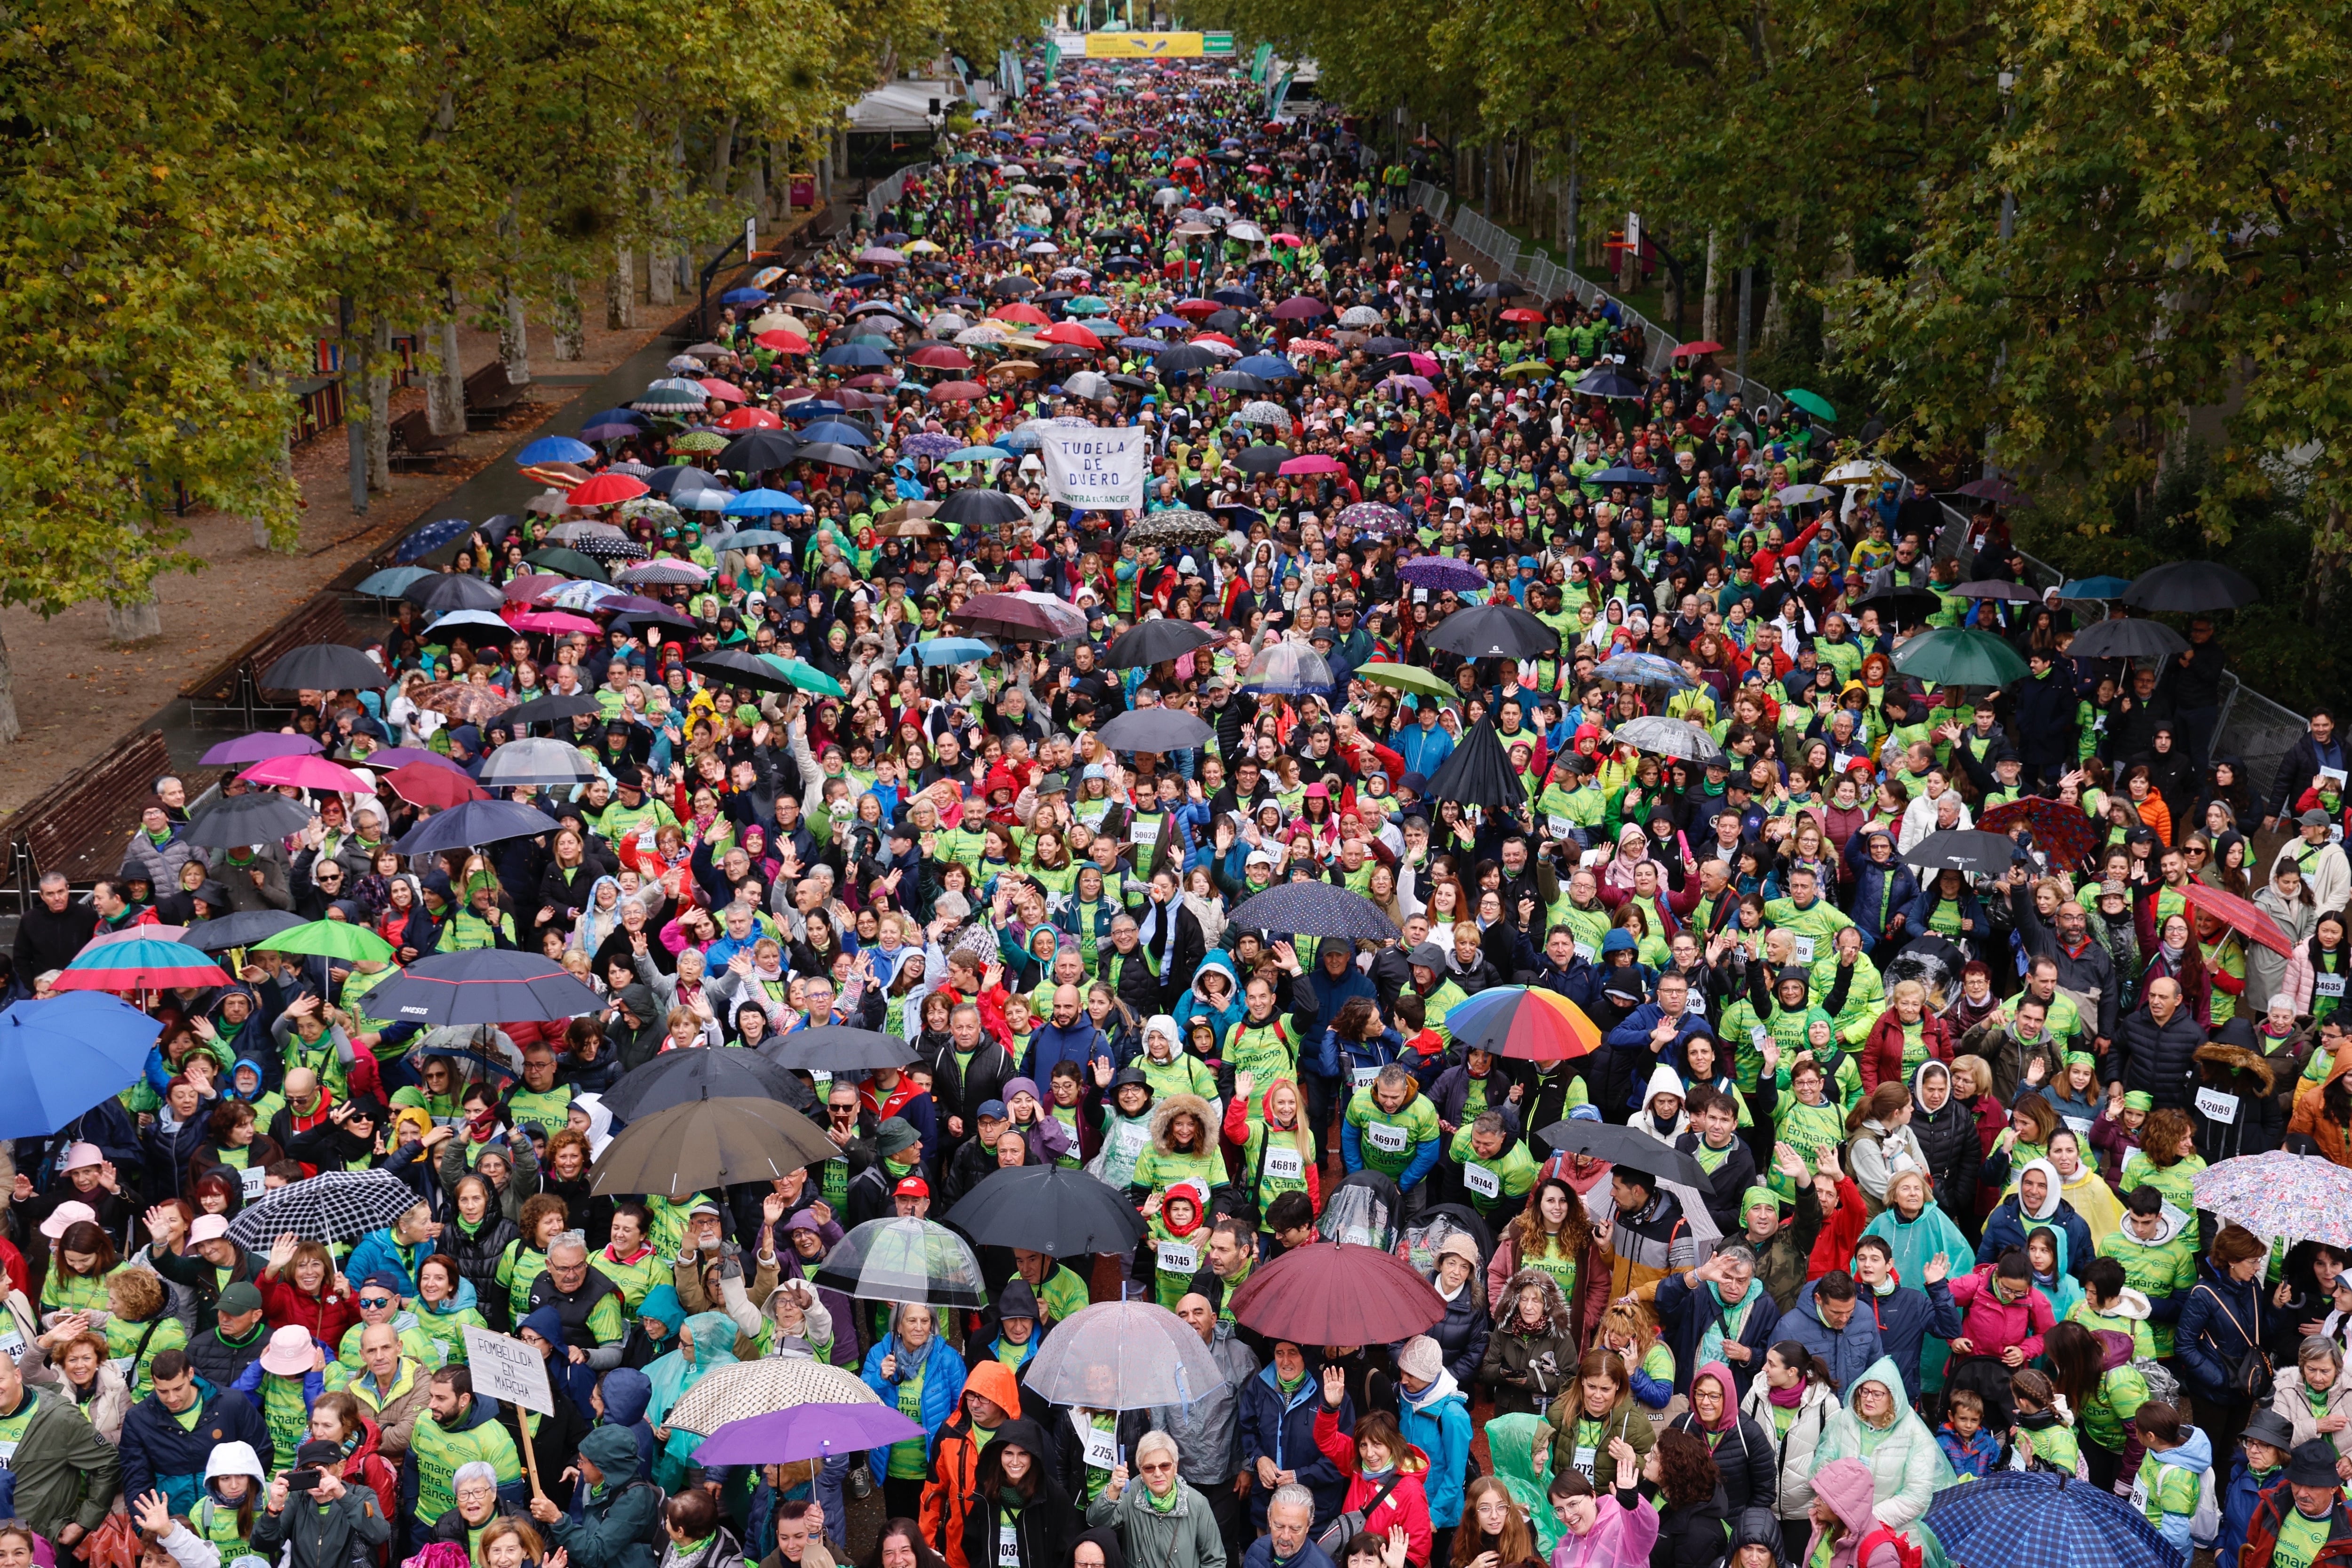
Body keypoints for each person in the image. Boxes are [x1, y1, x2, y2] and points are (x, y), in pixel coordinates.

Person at [0, 1328, 122, 1545]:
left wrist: (84, 1522)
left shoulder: (59, 1417)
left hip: (37, 1542)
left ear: (18, 1375)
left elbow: (107, 1464)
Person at [119, 1348, 273, 1514]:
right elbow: (136, 1480)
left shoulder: (232, 1404)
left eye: (178, 1389)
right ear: (153, 1382)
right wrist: (146, 1528)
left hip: (233, 1514)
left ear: (190, 1374)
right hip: (173, 1521)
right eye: (163, 1391)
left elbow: (261, 1453)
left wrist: (242, 1502)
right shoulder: (138, 1419)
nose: (171, 1398)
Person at [1809, 1358, 1949, 1530]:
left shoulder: (1914, 1434)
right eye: (1865, 1391)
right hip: (1838, 1524)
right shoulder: (1845, 1420)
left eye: (1877, 1394)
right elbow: (1823, 1464)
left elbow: (1917, 1495)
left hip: (1888, 1533)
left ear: (1893, 1397)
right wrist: (1841, 1512)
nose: (1869, 1399)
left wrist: (1867, 1521)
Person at [862, 1302, 968, 1521]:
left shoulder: (948, 1359)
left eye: (925, 1321)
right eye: (912, 1320)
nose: (919, 1327)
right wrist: (879, 1379)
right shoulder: (879, 1355)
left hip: (932, 1466)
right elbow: (862, 1401)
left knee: (928, 1533)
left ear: (932, 1325)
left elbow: (961, 1410)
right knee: (898, 1529)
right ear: (898, 1327)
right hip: (893, 1466)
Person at [1737, 1344, 1840, 1561]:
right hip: (1761, 1508)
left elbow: (1834, 1456)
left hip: (1805, 1513)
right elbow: (1740, 1439)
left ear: (1791, 1371)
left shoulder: (1825, 1405)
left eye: (1772, 1364)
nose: (1764, 1368)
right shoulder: (1756, 1394)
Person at [2179, 1223, 2272, 1448]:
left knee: (2231, 1452)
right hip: (2214, 1392)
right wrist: (2220, 1379)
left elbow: (2262, 1333)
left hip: (2244, 1386)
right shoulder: (2203, 1294)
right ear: (2232, 1260)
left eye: (2259, 1260)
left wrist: (2278, 1307)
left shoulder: (2252, 1286)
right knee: (2209, 1452)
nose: (2258, 1267)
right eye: (2252, 1261)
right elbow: (2184, 1346)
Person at [1086, 1430, 1230, 1568]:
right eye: (1149, 1468)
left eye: (1165, 1466)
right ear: (1140, 1470)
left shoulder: (1197, 1504)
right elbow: (1096, 1521)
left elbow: (1215, 1560)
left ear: (1176, 1467)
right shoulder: (1130, 1494)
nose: (1158, 1473)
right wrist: (1114, 1489)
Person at [533, 1423, 661, 1568]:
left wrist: (557, 1519)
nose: (579, 1466)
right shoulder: (600, 1486)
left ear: (602, 1467)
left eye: (582, 1461)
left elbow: (595, 1554)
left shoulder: (634, 1500)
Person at [252, 1437, 394, 1568]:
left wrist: (342, 1496)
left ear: (341, 1467)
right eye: (308, 1471)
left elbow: (380, 1535)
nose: (317, 1478)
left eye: (322, 1468)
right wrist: (274, 1509)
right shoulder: (298, 1498)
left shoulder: (361, 1494)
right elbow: (263, 1545)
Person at [1395, 1336, 1473, 1568]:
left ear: (1430, 1375)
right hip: (1410, 1505)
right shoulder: (1407, 1399)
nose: (1404, 1380)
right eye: (1402, 1372)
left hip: (1441, 1518)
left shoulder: (1453, 1416)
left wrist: (1435, 1516)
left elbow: (1455, 1474)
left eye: (1411, 1375)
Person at [959, 1417, 1076, 1568]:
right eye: (1008, 1453)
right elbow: (972, 1542)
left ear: (1034, 1457)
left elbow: (1066, 1548)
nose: (1015, 1462)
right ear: (999, 1456)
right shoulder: (987, 1491)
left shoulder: (1053, 1495)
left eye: (1023, 1454)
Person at [1665, 1362, 1774, 1515]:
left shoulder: (1749, 1433)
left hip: (1733, 1526)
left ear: (1728, 1396)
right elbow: (1664, 1472)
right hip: (1688, 1524)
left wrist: (1744, 1526)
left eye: (1714, 1396)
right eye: (1700, 1394)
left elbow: (1765, 1491)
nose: (1705, 1402)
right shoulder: (1682, 1426)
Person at [2236, 1436, 2352, 1568]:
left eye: (2312, 1486)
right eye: (2296, 1483)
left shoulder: (2349, 1525)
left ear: (2333, 1488)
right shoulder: (2271, 1504)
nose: (2302, 1494)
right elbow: (2252, 1550)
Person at [1478, 1270, 1578, 1418]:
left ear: (1547, 1304)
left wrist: (1529, 1379)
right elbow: (1486, 1370)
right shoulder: (1504, 1328)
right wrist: (1501, 1373)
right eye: (1523, 1299)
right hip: (1507, 1414)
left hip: (1541, 1418)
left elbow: (1568, 1381)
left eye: (1536, 1301)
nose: (1528, 1307)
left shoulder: (1559, 1334)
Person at [1544, 1436, 1654, 1568]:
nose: (1568, 1516)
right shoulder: (1563, 1548)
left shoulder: (1621, 1529)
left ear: (1592, 1496)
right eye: (1560, 1510)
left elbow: (1646, 1533)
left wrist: (1634, 1508)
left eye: (1573, 1505)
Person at [1797, 1460, 1911, 1568]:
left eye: (1823, 1499)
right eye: (1818, 1495)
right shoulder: (1825, 1524)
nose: (1815, 1502)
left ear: (1845, 1506)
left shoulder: (1881, 1554)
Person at [1644, 1428, 1730, 1568]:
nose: (1646, 1457)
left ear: (1673, 1470)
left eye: (1654, 1456)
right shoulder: (1650, 1490)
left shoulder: (1699, 1531)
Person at [1243, 1485, 1335, 1568]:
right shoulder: (1256, 1550)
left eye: (1295, 1529)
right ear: (1269, 1518)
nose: (1285, 1536)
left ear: (1309, 1525)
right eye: (1279, 1526)